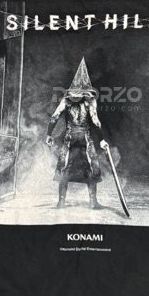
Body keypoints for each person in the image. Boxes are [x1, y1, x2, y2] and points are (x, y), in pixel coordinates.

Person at [45, 58, 108, 209]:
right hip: (85, 138)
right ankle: (92, 202)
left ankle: (62, 201)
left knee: (65, 166)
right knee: (90, 166)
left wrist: (49, 134)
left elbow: (54, 117)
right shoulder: (90, 101)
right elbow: (96, 121)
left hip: (70, 137)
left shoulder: (66, 101)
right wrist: (102, 140)